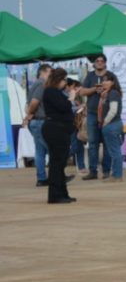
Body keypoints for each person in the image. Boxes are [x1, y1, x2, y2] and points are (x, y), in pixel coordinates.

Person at [41, 68, 77, 204]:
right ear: (58, 80)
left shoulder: (56, 92)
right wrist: (71, 98)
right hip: (55, 130)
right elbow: (63, 107)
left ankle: (63, 193)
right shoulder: (50, 92)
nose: (65, 83)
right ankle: (55, 195)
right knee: (57, 163)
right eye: (64, 80)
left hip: (61, 130)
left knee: (61, 163)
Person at [80, 54, 112, 180]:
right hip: (92, 113)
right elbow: (82, 91)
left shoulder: (110, 75)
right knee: (93, 143)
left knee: (107, 144)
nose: (99, 63)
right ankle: (93, 171)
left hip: (107, 114)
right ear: (94, 63)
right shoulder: (90, 76)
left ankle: (106, 170)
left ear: (105, 63)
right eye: (97, 61)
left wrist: (106, 89)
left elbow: (117, 91)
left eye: (101, 61)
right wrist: (94, 89)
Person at [22, 64, 51, 187]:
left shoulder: (35, 84)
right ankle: (56, 176)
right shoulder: (41, 84)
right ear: (43, 72)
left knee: (40, 151)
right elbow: (34, 102)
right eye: (50, 72)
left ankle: (42, 178)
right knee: (52, 150)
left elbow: (29, 103)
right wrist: (29, 114)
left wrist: (29, 115)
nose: (52, 75)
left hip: (36, 121)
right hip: (40, 120)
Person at [98, 71, 124, 182]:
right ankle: (116, 174)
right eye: (103, 80)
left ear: (113, 82)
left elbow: (113, 110)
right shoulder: (109, 93)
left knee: (114, 151)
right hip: (113, 124)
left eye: (107, 80)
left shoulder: (113, 93)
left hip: (112, 125)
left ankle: (117, 175)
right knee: (115, 151)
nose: (104, 82)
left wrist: (105, 122)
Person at [66, 78, 87, 174]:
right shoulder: (67, 96)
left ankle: (82, 166)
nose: (76, 89)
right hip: (71, 124)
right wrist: (80, 107)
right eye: (75, 87)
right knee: (75, 146)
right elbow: (69, 109)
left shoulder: (76, 97)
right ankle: (62, 158)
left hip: (77, 124)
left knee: (80, 146)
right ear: (69, 86)